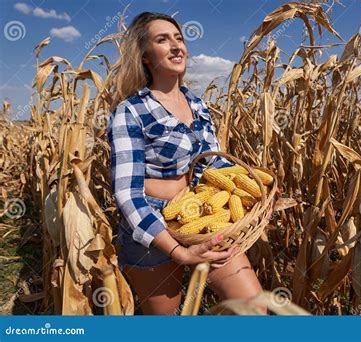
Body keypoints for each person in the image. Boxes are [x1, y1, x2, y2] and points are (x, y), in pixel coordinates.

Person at [107, 12, 262, 315]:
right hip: (153, 228)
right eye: (162, 40)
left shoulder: (198, 105)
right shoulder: (131, 111)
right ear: (146, 57)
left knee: (252, 306)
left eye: (179, 38)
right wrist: (178, 251)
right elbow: (127, 192)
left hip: (202, 220)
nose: (176, 46)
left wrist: (249, 193)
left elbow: (213, 165)